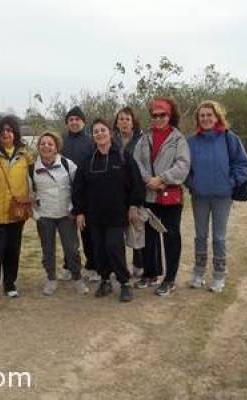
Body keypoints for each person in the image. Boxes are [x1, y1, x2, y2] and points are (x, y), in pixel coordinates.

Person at [72, 118, 144, 302]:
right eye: (96, 132)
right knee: (99, 249)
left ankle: (124, 282)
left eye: (103, 130)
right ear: (93, 136)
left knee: (113, 247)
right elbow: (78, 188)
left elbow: (136, 183)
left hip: (117, 214)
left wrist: (134, 205)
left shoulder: (123, 156)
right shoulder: (87, 160)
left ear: (110, 133)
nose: (100, 134)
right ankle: (105, 280)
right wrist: (79, 212)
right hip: (94, 215)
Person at [186, 100, 247, 293]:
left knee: (219, 237)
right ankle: (198, 273)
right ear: (198, 118)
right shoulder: (191, 141)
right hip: (199, 197)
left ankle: (219, 276)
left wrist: (230, 183)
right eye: (202, 115)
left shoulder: (229, 138)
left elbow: (243, 164)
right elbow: (184, 168)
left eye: (209, 115)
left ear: (217, 117)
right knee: (200, 236)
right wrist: (192, 183)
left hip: (223, 197)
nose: (206, 118)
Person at [133, 97, 190, 296]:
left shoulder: (178, 139)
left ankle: (170, 279)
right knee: (149, 237)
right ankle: (151, 273)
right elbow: (136, 161)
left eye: (162, 115)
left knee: (171, 237)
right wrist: (148, 179)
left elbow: (183, 165)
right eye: (155, 115)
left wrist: (162, 178)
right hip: (149, 194)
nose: (158, 119)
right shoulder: (144, 137)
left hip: (170, 196)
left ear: (170, 115)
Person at [29, 132, 89, 296]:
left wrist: (74, 210)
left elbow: (78, 188)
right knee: (47, 250)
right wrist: (36, 215)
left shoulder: (67, 164)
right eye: (43, 143)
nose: (46, 146)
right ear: (38, 147)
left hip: (66, 216)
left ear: (56, 147)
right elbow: (30, 195)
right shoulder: (31, 168)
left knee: (72, 249)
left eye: (50, 144)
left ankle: (77, 278)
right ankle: (51, 279)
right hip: (45, 217)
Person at [0, 115, 33, 300]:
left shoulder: (25, 155)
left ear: (15, 133)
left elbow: (35, 179)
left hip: (16, 211)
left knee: (13, 249)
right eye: (2, 130)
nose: (6, 133)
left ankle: (10, 284)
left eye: (10, 130)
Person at [61, 106, 99, 282]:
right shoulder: (61, 142)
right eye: (71, 119)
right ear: (67, 123)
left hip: (87, 194)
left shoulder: (91, 142)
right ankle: (69, 266)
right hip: (65, 193)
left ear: (83, 122)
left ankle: (93, 266)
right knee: (68, 234)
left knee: (88, 233)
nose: (74, 122)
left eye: (77, 119)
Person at [113, 106, 144, 278]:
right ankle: (120, 267)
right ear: (116, 122)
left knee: (136, 229)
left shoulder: (141, 140)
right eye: (121, 119)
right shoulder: (111, 140)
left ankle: (139, 264)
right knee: (118, 233)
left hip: (136, 189)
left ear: (133, 122)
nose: (124, 122)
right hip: (117, 192)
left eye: (127, 119)